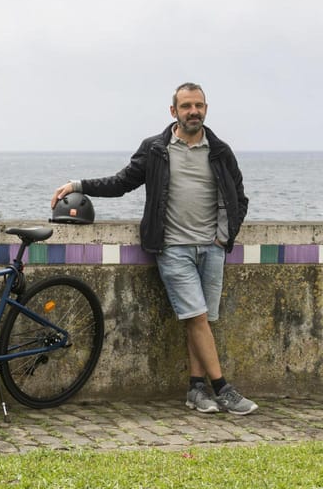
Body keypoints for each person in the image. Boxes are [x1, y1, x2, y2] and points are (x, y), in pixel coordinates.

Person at [51, 82, 257, 415]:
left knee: (199, 321)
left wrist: (225, 235)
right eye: (187, 106)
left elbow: (240, 197)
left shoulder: (219, 151)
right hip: (172, 247)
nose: (194, 111)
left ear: (206, 109)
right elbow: (122, 183)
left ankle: (195, 389)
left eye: (199, 106)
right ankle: (224, 389)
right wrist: (78, 185)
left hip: (212, 248)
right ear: (174, 111)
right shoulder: (156, 149)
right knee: (198, 316)